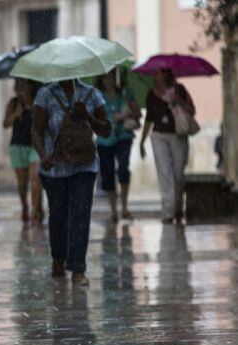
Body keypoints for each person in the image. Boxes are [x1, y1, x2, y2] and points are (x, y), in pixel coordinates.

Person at [32, 79, 111, 286]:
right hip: (55, 167)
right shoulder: (46, 94)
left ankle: (78, 269)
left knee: (80, 214)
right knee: (58, 215)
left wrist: (88, 116)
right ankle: (58, 258)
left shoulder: (91, 93)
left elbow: (106, 130)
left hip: (85, 166)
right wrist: (42, 155)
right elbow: (36, 130)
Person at [139, 68, 195, 224]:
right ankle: (168, 211)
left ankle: (178, 208)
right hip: (158, 135)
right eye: (155, 72)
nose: (155, 74)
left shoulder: (180, 89)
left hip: (178, 134)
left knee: (178, 173)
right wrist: (142, 141)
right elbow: (149, 118)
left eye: (159, 72)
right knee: (164, 172)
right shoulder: (152, 94)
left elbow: (192, 110)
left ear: (167, 74)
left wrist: (177, 100)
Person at [95, 69, 142, 222]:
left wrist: (125, 114)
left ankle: (125, 207)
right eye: (104, 77)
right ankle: (113, 210)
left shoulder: (126, 93)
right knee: (107, 174)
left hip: (123, 136)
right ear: (100, 78)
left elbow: (138, 114)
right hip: (104, 139)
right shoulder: (96, 96)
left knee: (123, 169)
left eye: (110, 76)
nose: (107, 80)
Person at [3, 78, 43, 225]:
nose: (23, 89)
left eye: (26, 85)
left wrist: (34, 110)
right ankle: (25, 205)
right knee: (22, 183)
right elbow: (5, 124)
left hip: (35, 146)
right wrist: (15, 115)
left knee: (35, 178)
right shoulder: (13, 104)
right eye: (21, 86)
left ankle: (35, 211)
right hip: (17, 146)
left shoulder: (39, 102)